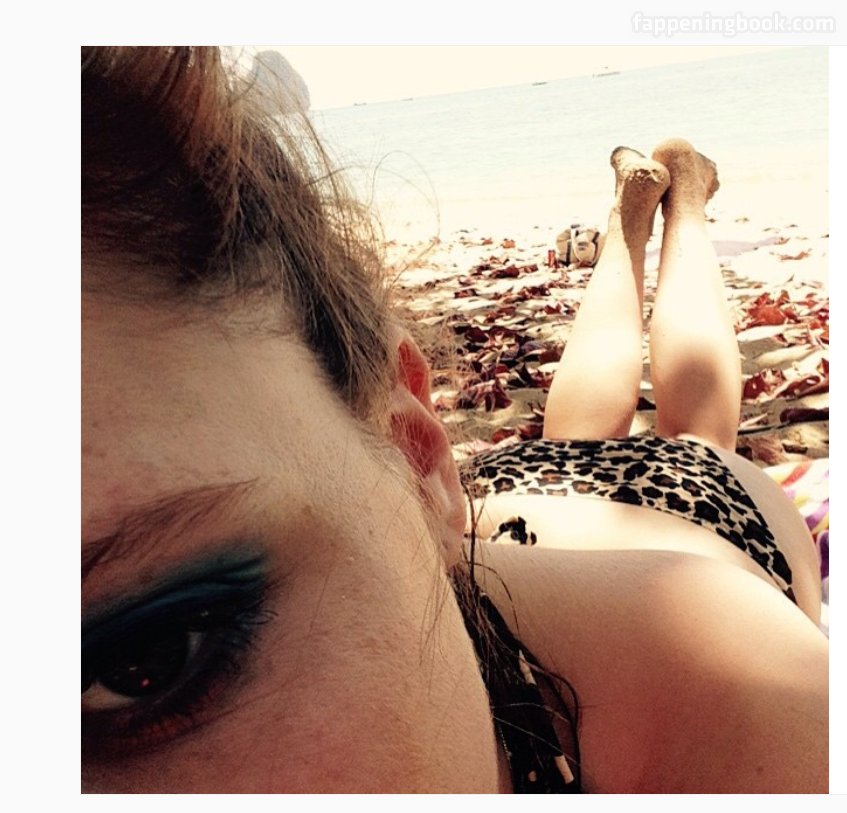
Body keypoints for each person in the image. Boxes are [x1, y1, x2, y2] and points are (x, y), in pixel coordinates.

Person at [81, 47, 828, 794]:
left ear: (413, 454)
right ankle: (651, 218)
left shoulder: (756, 713)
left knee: (694, 440)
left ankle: (673, 207)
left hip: (687, 520)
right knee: (592, 438)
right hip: (516, 503)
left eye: (142, 657)